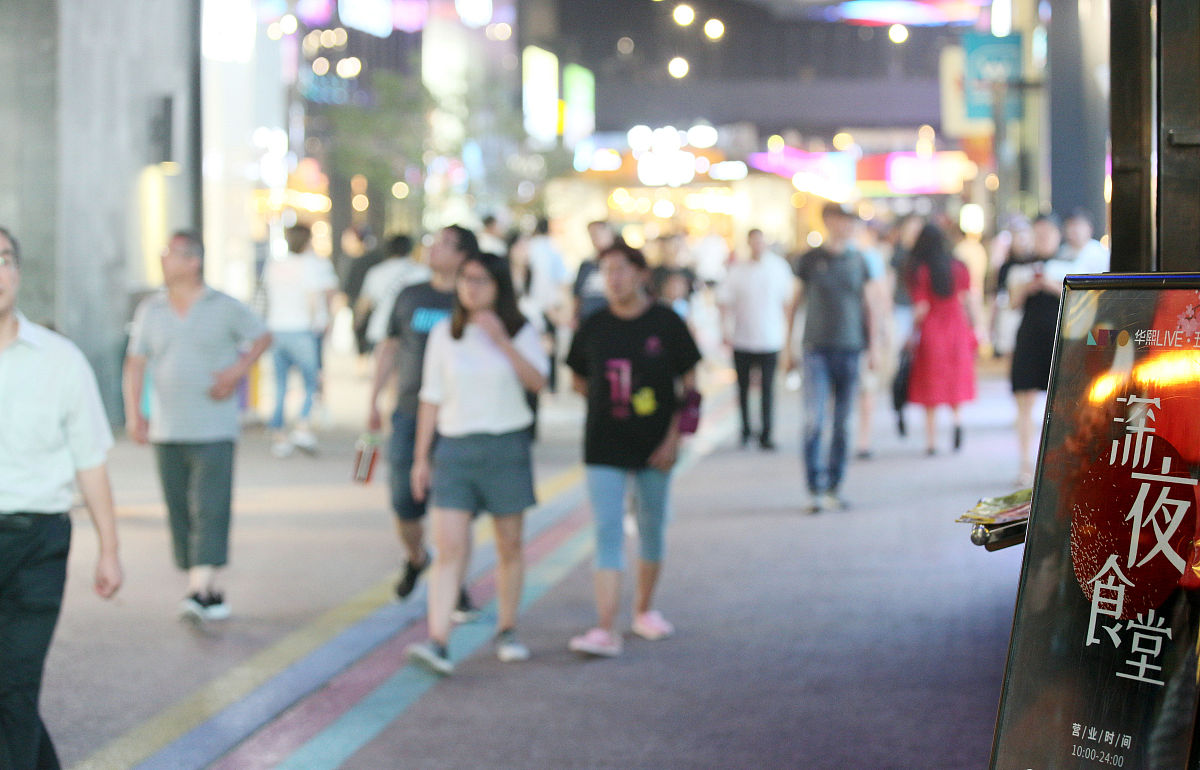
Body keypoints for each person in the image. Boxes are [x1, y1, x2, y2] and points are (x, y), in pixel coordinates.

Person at [0, 227, 123, 770]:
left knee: (15, 684)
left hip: (37, 544)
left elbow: (90, 461)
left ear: (18, 273)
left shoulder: (61, 360)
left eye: (4, 259)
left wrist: (110, 549)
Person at [404, 253, 549, 675]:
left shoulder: (521, 329)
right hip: (455, 449)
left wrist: (502, 340)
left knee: (510, 544)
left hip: (506, 446)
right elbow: (430, 397)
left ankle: (507, 629)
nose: (470, 288)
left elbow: (538, 382)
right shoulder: (444, 335)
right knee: (449, 546)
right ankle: (438, 640)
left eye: (481, 281)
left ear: (499, 286)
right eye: (465, 280)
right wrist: (420, 458)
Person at [124, 231, 271, 621]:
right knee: (179, 509)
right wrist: (134, 412)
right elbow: (135, 363)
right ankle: (204, 585)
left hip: (214, 427)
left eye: (170, 255)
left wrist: (238, 371)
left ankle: (199, 588)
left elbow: (261, 337)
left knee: (210, 506)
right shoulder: (150, 310)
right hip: (167, 429)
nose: (163, 261)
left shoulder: (223, 306)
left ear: (193, 262)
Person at [565, 242, 702, 657]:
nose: (614, 279)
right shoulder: (594, 324)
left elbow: (691, 385)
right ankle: (606, 627)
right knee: (607, 530)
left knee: (651, 526)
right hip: (603, 443)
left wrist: (674, 438)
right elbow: (578, 378)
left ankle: (644, 609)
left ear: (642, 274)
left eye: (622, 270)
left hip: (655, 445)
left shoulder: (666, 322)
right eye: (607, 271)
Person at [368, 225, 480, 618]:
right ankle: (417, 558)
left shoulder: (473, 297)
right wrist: (373, 399)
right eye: (432, 241)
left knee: (456, 507)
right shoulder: (410, 295)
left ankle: (456, 585)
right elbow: (390, 347)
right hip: (410, 413)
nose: (433, 248)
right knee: (404, 502)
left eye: (445, 244)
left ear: (465, 254)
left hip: (458, 418)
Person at [786, 202, 881, 513]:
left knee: (843, 423)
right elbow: (793, 304)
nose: (847, 225)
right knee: (815, 420)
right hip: (815, 350)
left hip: (851, 349)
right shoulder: (810, 260)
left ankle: (834, 486)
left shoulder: (860, 261)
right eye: (842, 219)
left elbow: (870, 307)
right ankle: (814, 486)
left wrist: (874, 347)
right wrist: (788, 347)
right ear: (829, 221)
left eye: (851, 220)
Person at [904, 224, 981, 455]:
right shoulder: (959, 267)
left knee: (931, 383)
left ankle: (931, 440)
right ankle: (957, 421)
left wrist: (911, 333)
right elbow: (968, 300)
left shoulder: (921, 270)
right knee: (954, 379)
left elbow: (921, 307)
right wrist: (976, 327)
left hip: (932, 330)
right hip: (957, 327)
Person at [718, 228, 796, 450]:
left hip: (770, 338)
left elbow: (787, 303)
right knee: (742, 388)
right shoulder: (738, 270)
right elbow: (724, 301)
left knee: (768, 388)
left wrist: (788, 336)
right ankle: (745, 430)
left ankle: (767, 433)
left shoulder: (778, 268)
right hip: (742, 338)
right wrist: (725, 330)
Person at [263, 224, 337, 457]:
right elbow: (314, 299)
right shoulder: (310, 265)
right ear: (308, 241)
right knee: (310, 382)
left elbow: (265, 296)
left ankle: (279, 435)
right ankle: (302, 425)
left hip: (276, 330)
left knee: (281, 385)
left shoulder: (274, 265)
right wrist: (322, 323)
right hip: (302, 330)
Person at [1007, 213, 1066, 485]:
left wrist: (1050, 285)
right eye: (1038, 233)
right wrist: (1029, 286)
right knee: (1025, 402)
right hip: (1029, 338)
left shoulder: (1069, 265)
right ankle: (1025, 464)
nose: (1042, 239)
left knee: (1062, 405)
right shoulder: (1018, 268)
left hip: (1060, 338)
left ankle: (1057, 464)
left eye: (1047, 234)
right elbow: (1012, 303)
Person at [357, 234, 430, 352]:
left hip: (380, 328)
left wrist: (357, 325)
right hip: (411, 332)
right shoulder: (422, 272)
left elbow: (365, 303)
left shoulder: (376, 272)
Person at [572, 221, 616, 324]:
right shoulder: (586, 265)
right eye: (592, 235)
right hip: (588, 320)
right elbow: (578, 294)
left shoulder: (621, 263)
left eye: (598, 233)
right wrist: (574, 317)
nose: (595, 238)